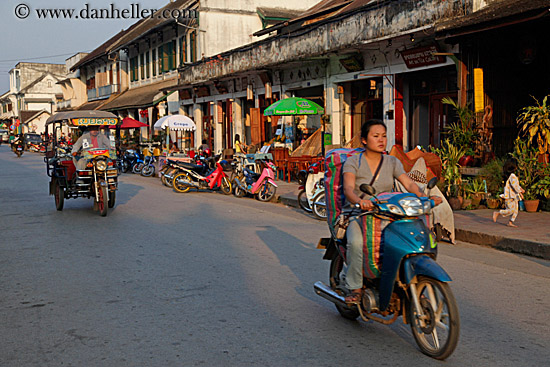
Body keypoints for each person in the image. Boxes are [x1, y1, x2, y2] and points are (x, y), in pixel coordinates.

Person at [342, 119, 442, 303]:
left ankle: (405, 280)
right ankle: (355, 287)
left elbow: (409, 182)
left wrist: (423, 197)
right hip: (360, 214)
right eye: (375, 136)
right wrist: (359, 201)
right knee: (356, 242)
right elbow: (348, 189)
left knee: (408, 239)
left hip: (389, 213)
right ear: (364, 140)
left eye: (384, 136)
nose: (381, 140)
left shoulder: (392, 161)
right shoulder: (353, 162)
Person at [493, 159, 524, 227]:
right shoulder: (512, 176)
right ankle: (498, 213)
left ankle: (510, 222)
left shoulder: (511, 176)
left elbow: (516, 185)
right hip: (510, 196)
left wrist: (520, 190)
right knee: (511, 210)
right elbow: (515, 186)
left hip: (514, 196)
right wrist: (520, 192)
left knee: (516, 210)